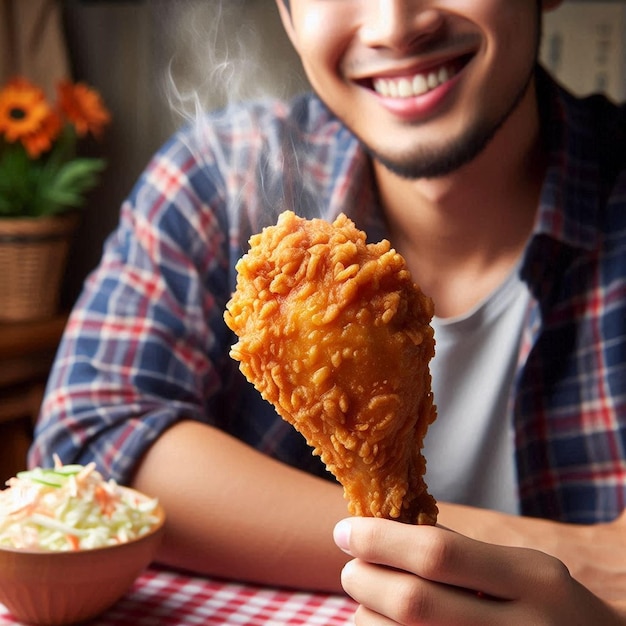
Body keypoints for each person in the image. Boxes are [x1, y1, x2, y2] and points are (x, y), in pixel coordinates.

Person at [30, 0, 626, 623]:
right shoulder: (217, 174)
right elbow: (91, 440)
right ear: (287, 15)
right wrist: (556, 550)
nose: (395, 25)